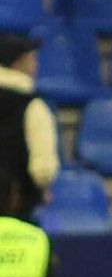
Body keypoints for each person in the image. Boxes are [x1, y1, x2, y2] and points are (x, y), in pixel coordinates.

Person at [0, 35, 58, 222]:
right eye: (32, 57)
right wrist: (42, 187)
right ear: (18, 63)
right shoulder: (33, 107)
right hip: (15, 204)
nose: (36, 63)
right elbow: (42, 168)